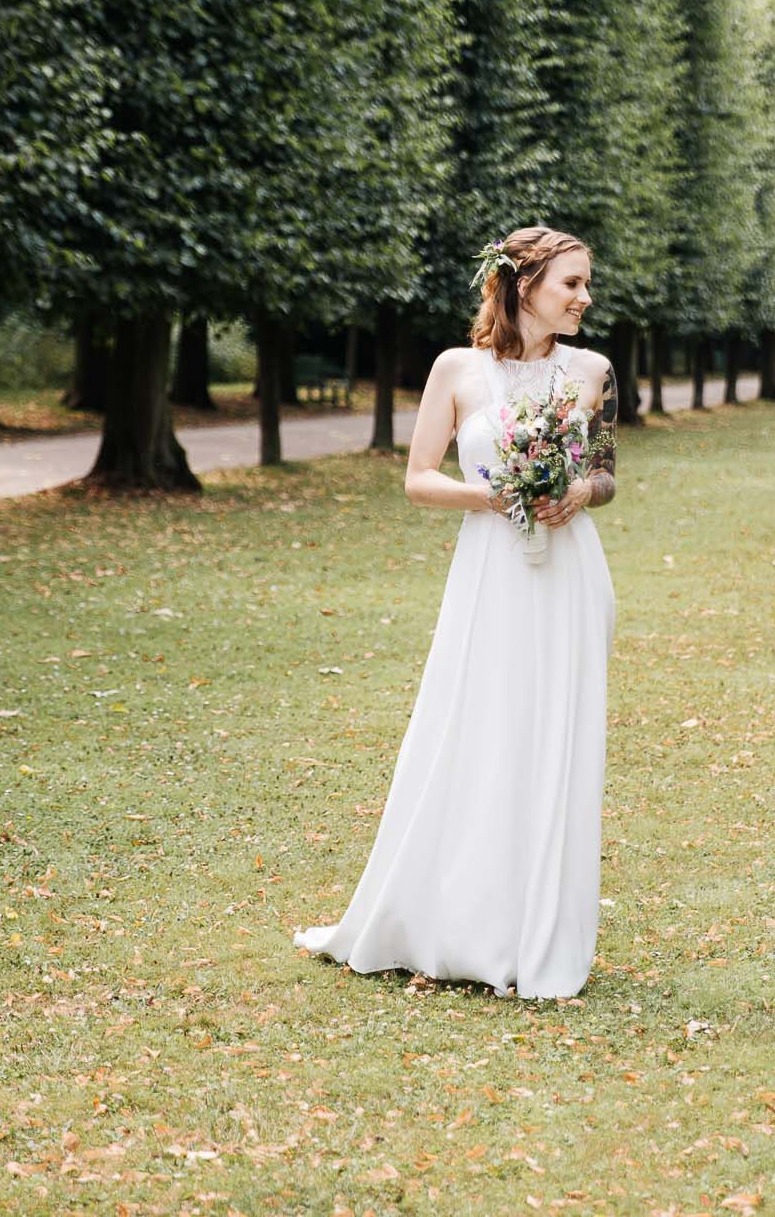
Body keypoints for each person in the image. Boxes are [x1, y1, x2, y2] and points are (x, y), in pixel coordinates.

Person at [293, 226, 619, 1000]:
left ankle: (539, 927)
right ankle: (455, 917)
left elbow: (607, 473)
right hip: (490, 570)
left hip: (568, 573)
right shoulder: (456, 368)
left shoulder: (593, 371)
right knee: (477, 724)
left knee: (553, 733)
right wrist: (492, 496)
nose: (584, 297)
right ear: (524, 283)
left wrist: (578, 490)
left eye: (586, 284)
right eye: (571, 283)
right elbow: (418, 479)